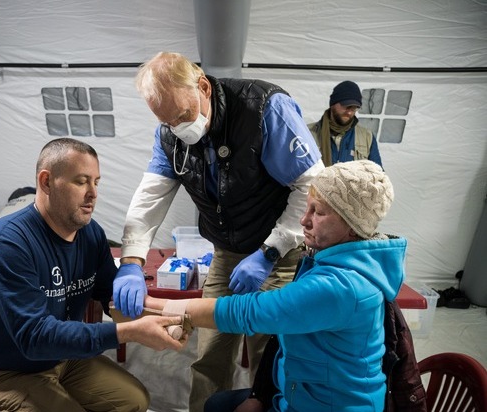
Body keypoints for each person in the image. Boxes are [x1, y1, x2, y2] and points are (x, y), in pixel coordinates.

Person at [112, 51, 324, 411]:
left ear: (204, 87)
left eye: (183, 115)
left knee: (269, 353)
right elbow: (150, 196)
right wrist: (132, 261)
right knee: (210, 352)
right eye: (167, 121)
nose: (178, 127)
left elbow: (310, 186)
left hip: (279, 254)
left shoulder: (264, 109)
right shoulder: (170, 135)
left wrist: (270, 251)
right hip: (227, 253)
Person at [146, 159, 405, 411]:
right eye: (307, 208)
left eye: (318, 212)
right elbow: (281, 338)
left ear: (353, 227)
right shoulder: (335, 263)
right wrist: (260, 395)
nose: (304, 220)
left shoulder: (339, 287)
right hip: (299, 393)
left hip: (323, 404)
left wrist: (153, 304)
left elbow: (245, 312)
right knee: (217, 403)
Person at [0, 137, 186, 412]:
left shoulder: (91, 234)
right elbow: (34, 338)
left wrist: (163, 313)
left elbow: (110, 295)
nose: (93, 194)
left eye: (96, 182)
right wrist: (127, 332)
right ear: (46, 182)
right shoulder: (8, 243)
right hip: (6, 370)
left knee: (136, 400)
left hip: (63, 356)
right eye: (81, 182)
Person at [308, 80, 382, 167]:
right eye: (346, 106)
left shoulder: (367, 137)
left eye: (354, 108)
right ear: (333, 104)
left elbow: (378, 172)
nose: (349, 112)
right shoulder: (308, 133)